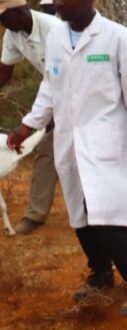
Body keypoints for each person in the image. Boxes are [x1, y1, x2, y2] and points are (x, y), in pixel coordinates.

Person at [6, 0, 127, 316]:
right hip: (70, 142)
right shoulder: (58, 38)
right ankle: (100, 275)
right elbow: (50, 87)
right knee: (80, 214)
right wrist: (26, 125)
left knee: (101, 212)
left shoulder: (118, 37)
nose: (59, 3)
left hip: (106, 140)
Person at [0, 0, 60, 235]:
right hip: (53, 93)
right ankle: (36, 215)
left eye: (4, 17)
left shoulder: (53, 29)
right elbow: (4, 73)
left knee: (86, 155)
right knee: (46, 152)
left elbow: (72, 72)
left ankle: (97, 215)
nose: (2, 23)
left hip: (84, 94)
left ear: (20, 9)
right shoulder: (13, 35)